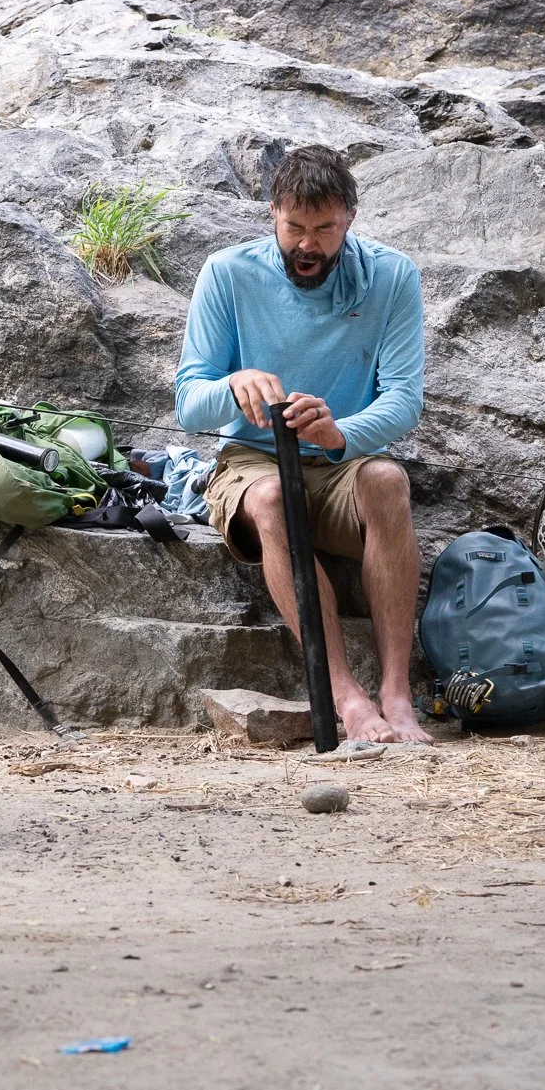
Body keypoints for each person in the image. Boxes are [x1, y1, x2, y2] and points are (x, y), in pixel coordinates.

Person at [173, 145, 432, 745]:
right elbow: (189, 401)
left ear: (350, 220)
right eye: (294, 228)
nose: (308, 246)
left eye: (324, 230)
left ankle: (396, 692)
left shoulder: (392, 277)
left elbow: (402, 399)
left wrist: (341, 432)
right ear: (273, 214)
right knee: (268, 498)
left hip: (341, 459)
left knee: (388, 481)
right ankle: (346, 696)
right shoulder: (228, 273)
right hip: (253, 460)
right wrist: (234, 387)